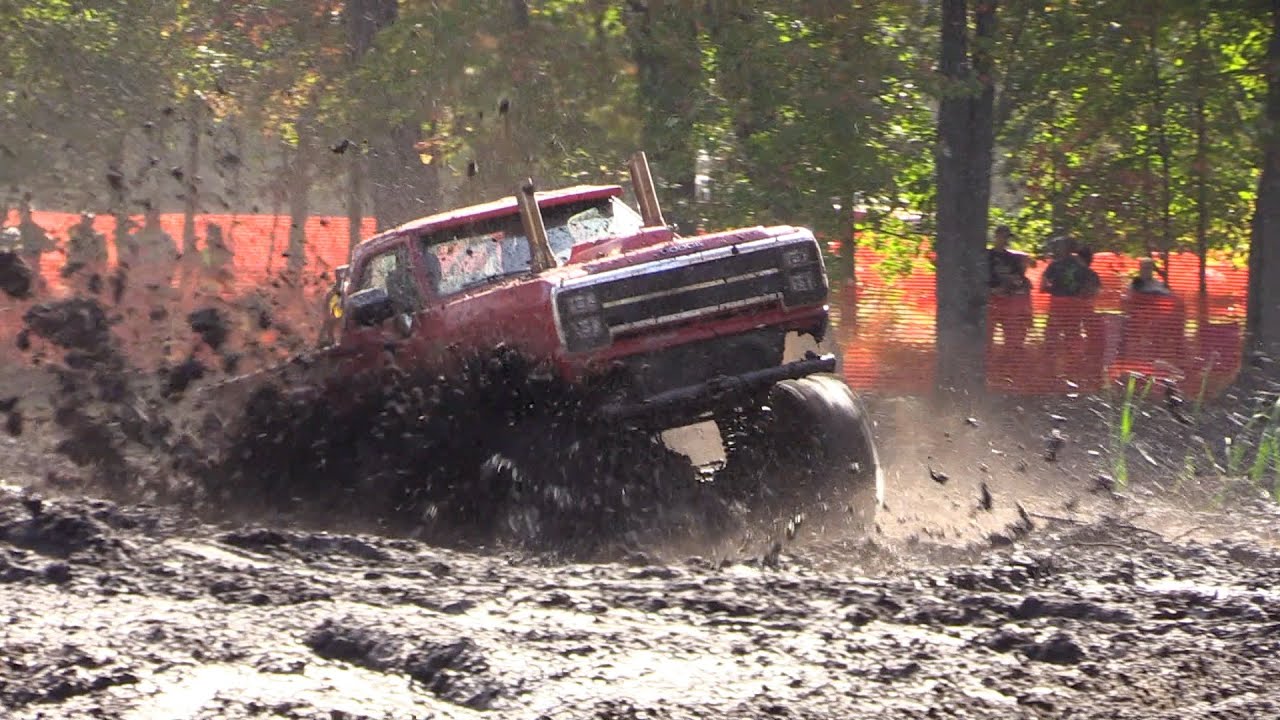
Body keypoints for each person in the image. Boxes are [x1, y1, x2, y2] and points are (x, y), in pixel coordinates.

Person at [987, 225, 1032, 358]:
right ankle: (988, 360)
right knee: (987, 335)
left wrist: (1011, 285)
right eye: (1003, 236)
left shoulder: (1013, 258)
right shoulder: (986, 256)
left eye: (1007, 237)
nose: (1005, 240)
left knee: (1011, 334)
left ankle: (1008, 360)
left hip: (1008, 301)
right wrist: (992, 290)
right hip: (990, 299)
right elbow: (978, 277)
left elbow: (1020, 279)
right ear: (996, 236)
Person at [65, 212, 108, 294]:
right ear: (82, 219)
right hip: (76, 264)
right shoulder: (75, 230)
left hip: (88, 266)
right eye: (86, 218)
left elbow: (101, 254)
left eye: (90, 219)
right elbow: (74, 243)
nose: (89, 221)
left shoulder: (96, 235)